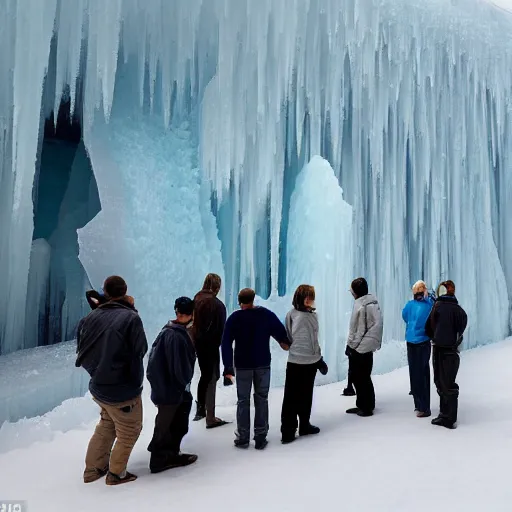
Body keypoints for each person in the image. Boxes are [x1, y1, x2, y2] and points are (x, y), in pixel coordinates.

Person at [75, 276, 148, 486]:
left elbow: (82, 350)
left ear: (105, 292)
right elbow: (140, 349)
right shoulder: (130, 318)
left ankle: (92, 470)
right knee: (129, 430)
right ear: (125, 292)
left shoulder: (89, 319)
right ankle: (116, 474)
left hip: (98, 386)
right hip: (122, 389)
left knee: (107, 423)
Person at [222, 288, 290, 450]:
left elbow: (225, 344)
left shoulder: (234, 318)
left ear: (239, 301)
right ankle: (260, 436)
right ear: (253, 299)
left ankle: (243, 436)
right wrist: (285, 342)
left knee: (243, 401)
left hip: (243, 365)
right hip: (263, 364)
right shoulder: (266, 315)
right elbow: (281, 335)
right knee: (261, 399)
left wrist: (228, 367)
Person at [146, 297, 198, 473]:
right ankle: (161, 458)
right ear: (191, 314)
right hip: (172, 391)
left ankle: (167, 455)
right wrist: (182, 385)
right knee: (169, 425)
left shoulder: (169, 331)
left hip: (167, 389)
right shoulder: (174, 335)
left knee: (170, 423)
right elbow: (179, 367)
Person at [281, 285, 328, 444]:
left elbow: (315, 339)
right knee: (291, 397)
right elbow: (287, 335)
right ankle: (288, 430)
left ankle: (304, 424)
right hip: (296, 360)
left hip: (311, 361)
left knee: (306, 394)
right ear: (300, 298)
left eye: (311, 297)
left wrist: (319, 359)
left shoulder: (313, 316)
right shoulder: (292, 315)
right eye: (307, 297)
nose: (310, 300)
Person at [425, 280, 467, 429]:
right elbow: (462, 327)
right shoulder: (459, 310)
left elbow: (428, 327)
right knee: (449, 382)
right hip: (452, 351)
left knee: (441, 382)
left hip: (439, 349)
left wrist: (435, 336)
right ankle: (447, 415)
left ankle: (447, 416)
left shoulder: (437, 307)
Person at [192, 273, 228, 428]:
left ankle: (200, 410)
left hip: (197, 344)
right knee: (211, 376)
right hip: (211, 346)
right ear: (216, 286)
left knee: (205, 376)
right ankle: (210, 417)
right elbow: (221, 330)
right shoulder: (217, 304)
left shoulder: (196, 299)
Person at [345, 277, 383, 417]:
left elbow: (358, 329)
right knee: (365, 376)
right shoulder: (372, 302)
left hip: (361, 346)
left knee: (358, 376)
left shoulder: (360, 304)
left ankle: (365, 407)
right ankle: (366, 404)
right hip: (369, 345)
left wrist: (350, 346)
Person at [402, 280, 434, 418]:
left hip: (411, 341)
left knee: (414, 372)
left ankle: (419, 404)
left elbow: (404, 316)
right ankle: (423, 406)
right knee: (422, 373)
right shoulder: (429, 305)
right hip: (423, 341)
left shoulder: (410, 305)